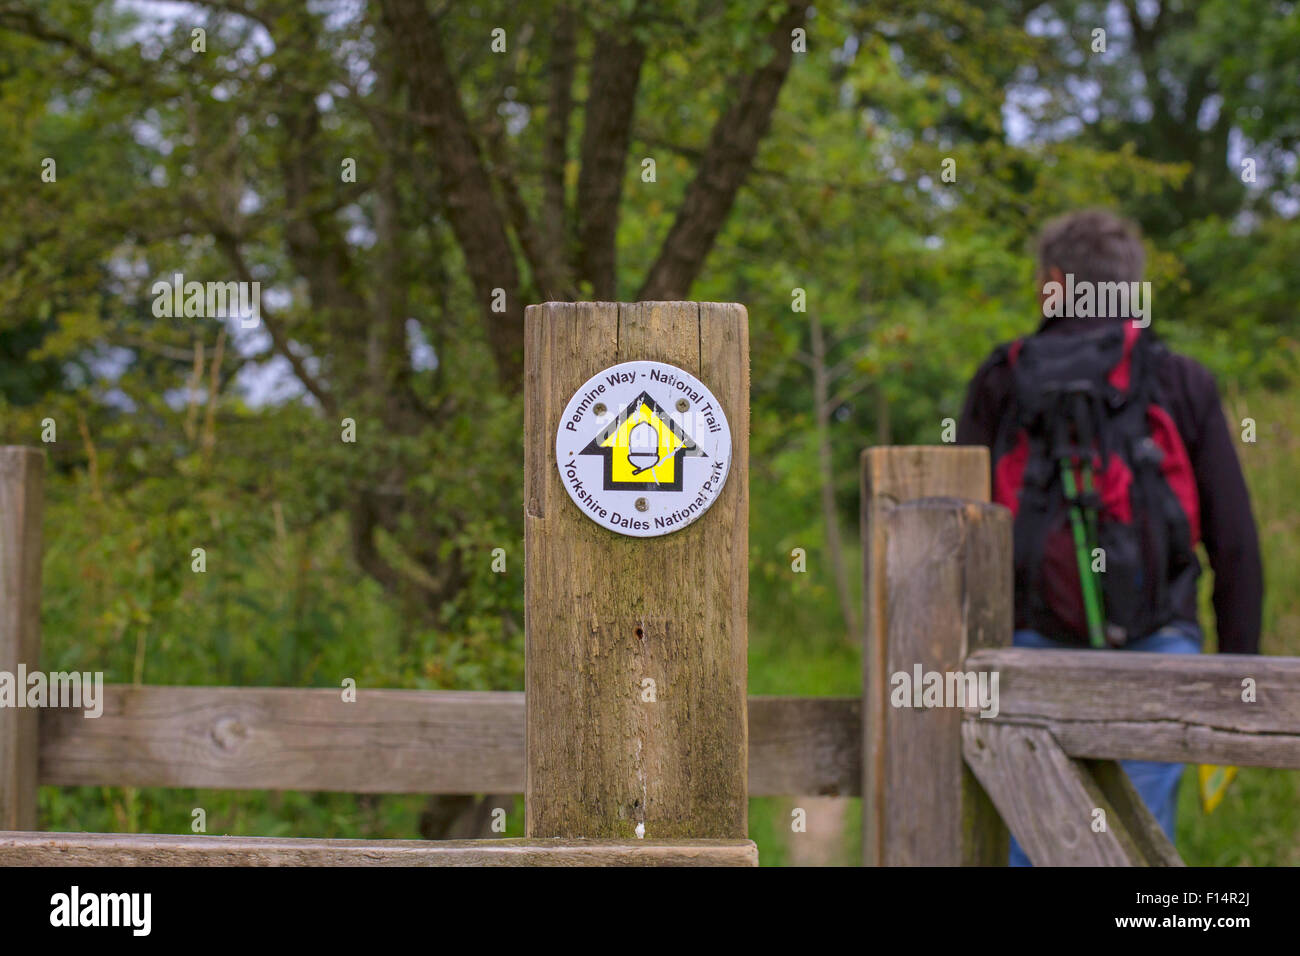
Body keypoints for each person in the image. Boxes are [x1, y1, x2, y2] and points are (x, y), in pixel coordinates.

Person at [956, 209, 1263, 866]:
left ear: (1052, 285)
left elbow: (955, 529)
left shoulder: (1001, 379)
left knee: (1036, 839)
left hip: (1027, 649)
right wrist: (1243, 675)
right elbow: (1234, 540)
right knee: (1133, 853)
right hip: (1159, 649)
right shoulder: (1180, 380)